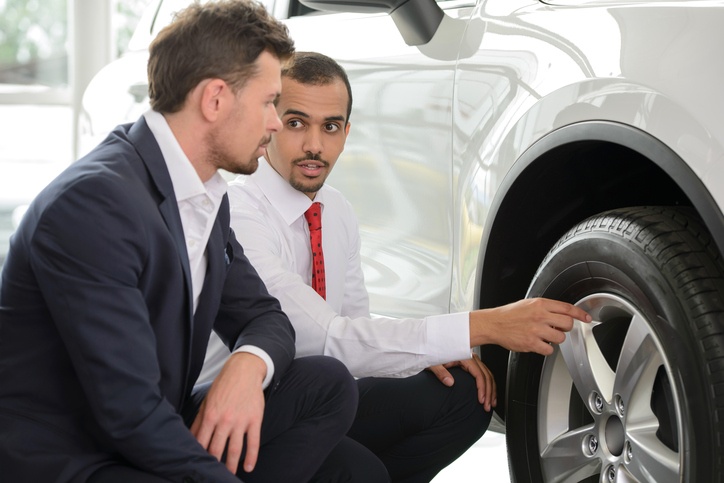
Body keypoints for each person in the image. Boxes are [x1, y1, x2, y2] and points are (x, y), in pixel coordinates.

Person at [0, 5, 361, 483]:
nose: (275, 123)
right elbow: (128, 411)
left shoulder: (205, 193)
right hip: (81, 458)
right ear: (215, 99)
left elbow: (266, 317)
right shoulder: (93, 205)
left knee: (328, 389)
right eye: (269, 102)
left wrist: (248, 365)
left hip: (151, 424)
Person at [200, 51, 593, 482]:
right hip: (241, 413)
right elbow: (329, 341)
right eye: (297, 123)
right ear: (270, 124)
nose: (315, 144)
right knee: (362, 468)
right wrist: (488, 325)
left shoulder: (336, 210)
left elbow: (353, 324)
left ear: (346, 133)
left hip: (324, 394)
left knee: (465, 397)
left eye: (330, 127)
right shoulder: (241, 213)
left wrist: (418, 354)